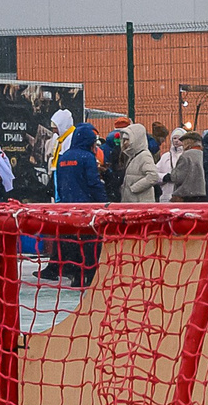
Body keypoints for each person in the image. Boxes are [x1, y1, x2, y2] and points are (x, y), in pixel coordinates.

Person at [50, 110, 105, 284]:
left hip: (68, 206)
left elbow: (60, 183)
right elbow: (93, 182)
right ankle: (89, 276)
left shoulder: (63, 157)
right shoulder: (87, 157)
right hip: (86, 207)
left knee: (72, 242)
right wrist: (103, 201)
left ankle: (76, 275)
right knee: (90, 244)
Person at [117, 123, 159, 203]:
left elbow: (153, 176)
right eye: (124, 140)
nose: (125, 143)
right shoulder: (132, 156)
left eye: (128, 140)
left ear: (136, 139)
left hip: (141, 201)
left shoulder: (144, 156)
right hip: (132, 201)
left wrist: (134, 188)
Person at [167, 126, 206, 202]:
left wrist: (173, 172)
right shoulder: (204, 154)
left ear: (188, 142)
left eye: (184, 142)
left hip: (186, 196)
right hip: (202, 194)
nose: (182, 144)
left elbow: (177, 178)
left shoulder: (186, 156)